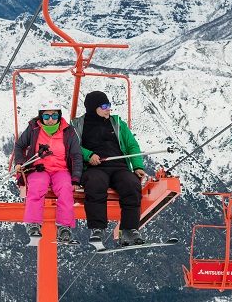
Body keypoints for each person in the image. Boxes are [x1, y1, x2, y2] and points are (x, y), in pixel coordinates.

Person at [71, 90, 146, 249]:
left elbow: (132, 145)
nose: (108, 109)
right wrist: (88, 155)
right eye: (104, 106)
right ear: (93, 108)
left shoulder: (117, 123)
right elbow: (72, 147)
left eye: (109, 105)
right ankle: (98, 229)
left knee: (132, 185)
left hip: (119, 166)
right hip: (94, 167)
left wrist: (137, 166)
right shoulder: (78, 125)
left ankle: (129, 229)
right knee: (95, 184)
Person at [13, 98, 83, 244]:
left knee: (65, 188)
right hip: (38, 168)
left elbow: (76, 155)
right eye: (46, 116)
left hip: (61, 169)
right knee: (37, 186)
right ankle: (33, 224)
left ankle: (64, 227)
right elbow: (19, 146)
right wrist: (19, 163)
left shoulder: (68, 132)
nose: (50, 119)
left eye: (54, 116)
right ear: (41, 116)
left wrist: (76, 178)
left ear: (59, 116)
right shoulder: (34, 129)